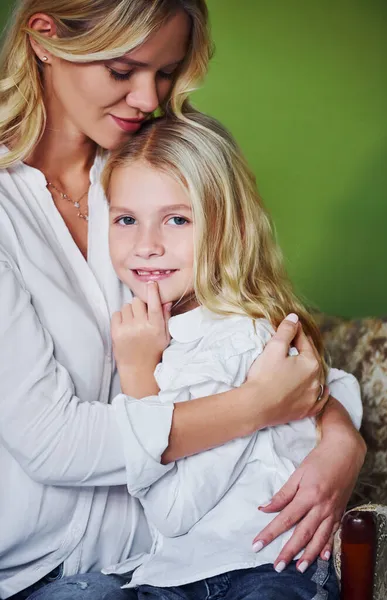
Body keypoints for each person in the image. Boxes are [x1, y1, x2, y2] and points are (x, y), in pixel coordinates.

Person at [0, 1, 365, 599]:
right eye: (123, 70)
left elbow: (247, 336)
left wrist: (339, 436)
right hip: (41, 572)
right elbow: (53, 443)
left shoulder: (143, 174)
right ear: (44, 39)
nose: (147, 98)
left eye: (165, 73)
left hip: (160, 562)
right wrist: (256, 405)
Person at [100, 113, 362, 600]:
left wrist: (138, 374)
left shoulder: (236, 342)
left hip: (259, 570)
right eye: (126, 219)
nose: (147, 245)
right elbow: (334, 384)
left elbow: (173, 512)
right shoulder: (167, 323)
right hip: (179, 571)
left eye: (177, 219)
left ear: (231, 228)